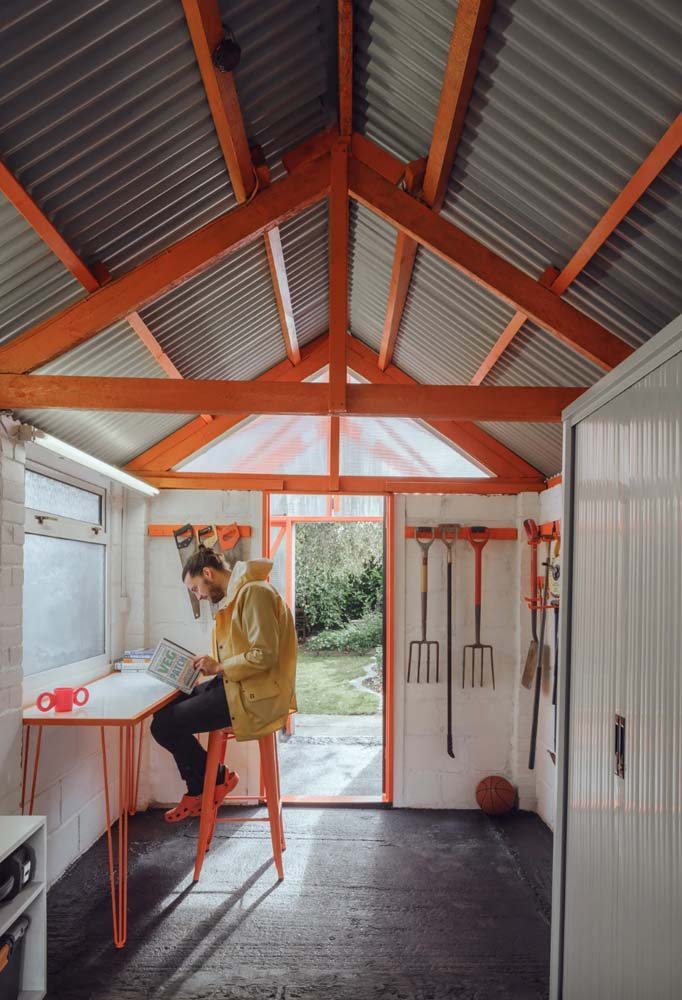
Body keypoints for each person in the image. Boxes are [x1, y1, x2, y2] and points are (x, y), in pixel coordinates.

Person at [150, 549, 297, 823]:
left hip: (255, 695)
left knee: (163, 726)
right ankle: (210, 781)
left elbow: (264, 655)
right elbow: (242, 651)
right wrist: (210, 664)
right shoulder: (238, 596)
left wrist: (218, 667)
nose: (198, 596)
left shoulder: (255, 593)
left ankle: (208, 784)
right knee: (164, 710)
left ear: (208, 573)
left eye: (196, 588)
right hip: (236, 684)